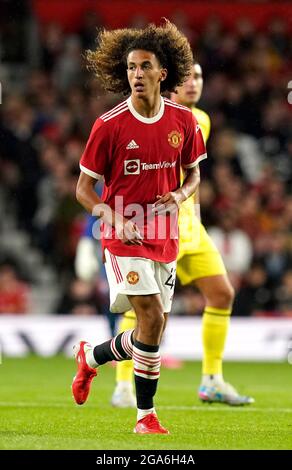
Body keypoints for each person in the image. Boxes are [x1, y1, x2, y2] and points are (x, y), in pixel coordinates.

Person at [72, 21, 206, 434]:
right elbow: (83, 190)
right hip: (121, 233)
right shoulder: (109, 125)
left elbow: (194, 177)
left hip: (165, 233)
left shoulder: (183, 122)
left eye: (145, 66)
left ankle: (92, 356)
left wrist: (180, 197)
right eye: (131, 67)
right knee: (147, 316)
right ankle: (145, 417)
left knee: (154, 328)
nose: (136, 74)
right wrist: (111, 216)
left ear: (162, 73)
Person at [111, 62, 254, 408]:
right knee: (145, 309)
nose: (194, 83)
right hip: (161, 226)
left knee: (222, 293)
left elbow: (194, 174)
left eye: (200, 77)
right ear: (171, 83)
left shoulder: (201, 120)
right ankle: (123, 385)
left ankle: (211, 380)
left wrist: (197, 215)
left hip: (192, 226)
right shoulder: (159, 119)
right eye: (187, 77)